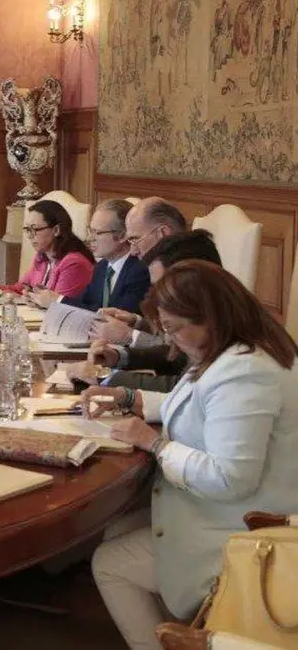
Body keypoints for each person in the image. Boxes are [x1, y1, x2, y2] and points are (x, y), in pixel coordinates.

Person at [83, 260, 298, 650]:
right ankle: (191, 626)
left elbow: (230, 479)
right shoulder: (236, 351)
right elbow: (199, 408)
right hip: (233, 511)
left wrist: (157, 445)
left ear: (211, 319)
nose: (170, 340)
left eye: (174, 328)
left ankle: (180, 639)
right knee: (117, 531)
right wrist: (128, 397)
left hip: (246, 532)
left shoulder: (245, 373)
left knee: (109, 563)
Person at [84, 230, 223, 393]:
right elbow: (178, 357)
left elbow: (180, 388)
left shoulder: (218, 327)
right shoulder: (207, 312)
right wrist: (118, 356)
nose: (133, 250)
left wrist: (105, 377)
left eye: (135, 238)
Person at [90, 197, 189, 345]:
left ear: (163, 233)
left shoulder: (189, 274)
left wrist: (129, 336)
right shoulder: (164, 268)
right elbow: (166, 332)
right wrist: (137, 322)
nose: (133, 251)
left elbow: (179, 350)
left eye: (135, 239)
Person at [30, 198, 149, 313]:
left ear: (122, 236)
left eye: (98, 233)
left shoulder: (139, 270)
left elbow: (118, 316)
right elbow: (83, 305)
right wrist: (43, 299)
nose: (90, 238)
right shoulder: (101, 267)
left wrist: (57, 300)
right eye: (90, 231)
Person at [0, 199, 95, 298]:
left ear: (56, 230)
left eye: (35, 229)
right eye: (28, 229)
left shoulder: (73, 264)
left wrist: (30, 298)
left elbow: (59, 305)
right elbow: (17, 289)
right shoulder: (42, 258)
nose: (30, 236)